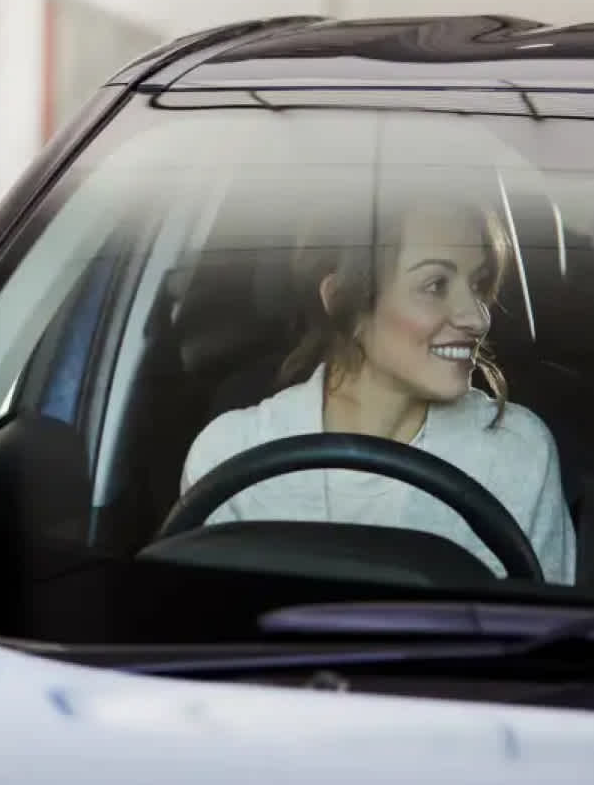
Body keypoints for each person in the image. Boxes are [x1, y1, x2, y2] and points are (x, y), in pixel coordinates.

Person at [180, 189, 576, 585]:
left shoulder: (516, 449)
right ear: (341, 302)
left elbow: (545, 635)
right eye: (435, 285)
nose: (477, 317)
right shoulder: (228, 456)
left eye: (478, 284)